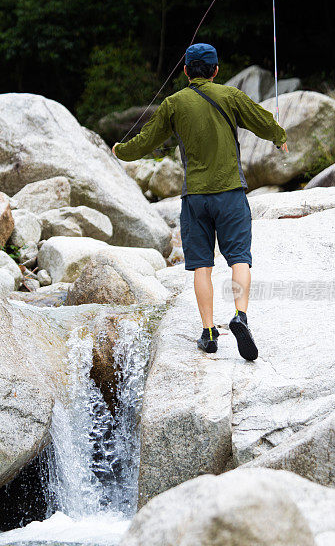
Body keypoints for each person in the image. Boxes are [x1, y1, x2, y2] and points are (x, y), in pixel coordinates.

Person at [112, 42, 288, 361]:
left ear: (185, 71)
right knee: (239, 259)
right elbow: (261, 122)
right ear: (216, 70)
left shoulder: (174, 103)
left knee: (202, 267)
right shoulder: (230, 96)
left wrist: (120, 152)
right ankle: (240, 316)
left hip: (195, 198)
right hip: (231, 193)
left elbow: (146, 141)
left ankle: (209, 334)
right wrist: (279, 136)